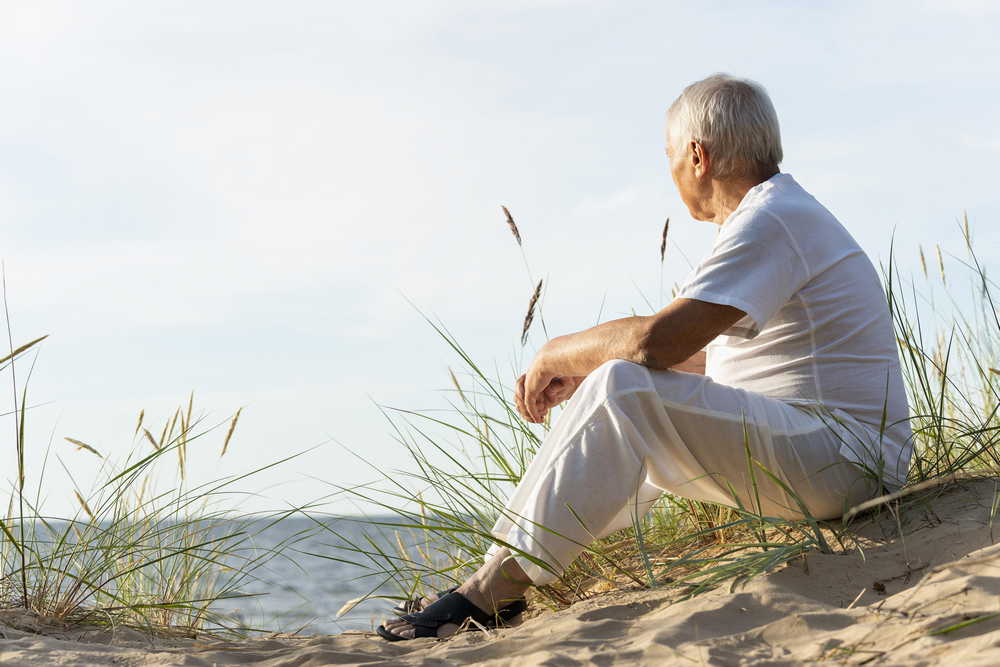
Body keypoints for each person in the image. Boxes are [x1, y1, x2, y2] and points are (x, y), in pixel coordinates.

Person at [377, 73, 912, 642]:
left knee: (622, 387)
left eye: (669, 157)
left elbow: (657, 341)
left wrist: (557, 352)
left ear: (697, 155)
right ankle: (501, 575)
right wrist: (587, 377)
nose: (671, 171)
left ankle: (489, 591)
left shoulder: (773, 219)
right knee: (616, 389)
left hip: (849, 461)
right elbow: (713, 365)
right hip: (833, 455)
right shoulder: (778, 216)